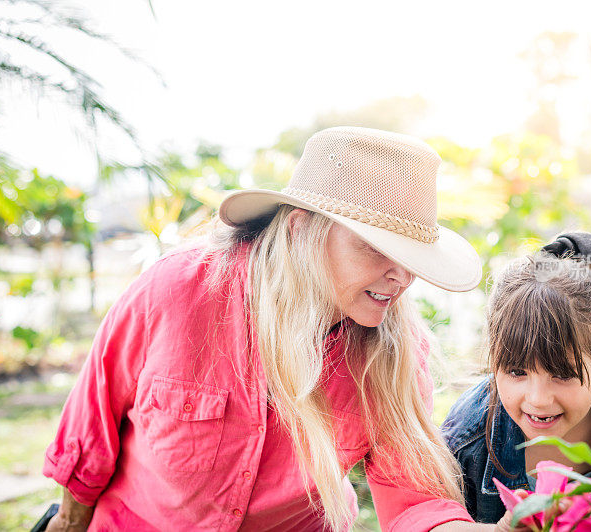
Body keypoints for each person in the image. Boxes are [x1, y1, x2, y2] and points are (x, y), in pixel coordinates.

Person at [42, 126, 495, 531]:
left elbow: (414, 503)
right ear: (301, 230)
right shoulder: (174, 293)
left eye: (412, 258)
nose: (403, 277)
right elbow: (87, 446)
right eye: (376, 248)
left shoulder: (392, 352)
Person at [441, 234, 591, 526]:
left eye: (563, 374)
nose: (538, 399)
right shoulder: (465, 441)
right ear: (494, 362)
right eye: (517, 372)